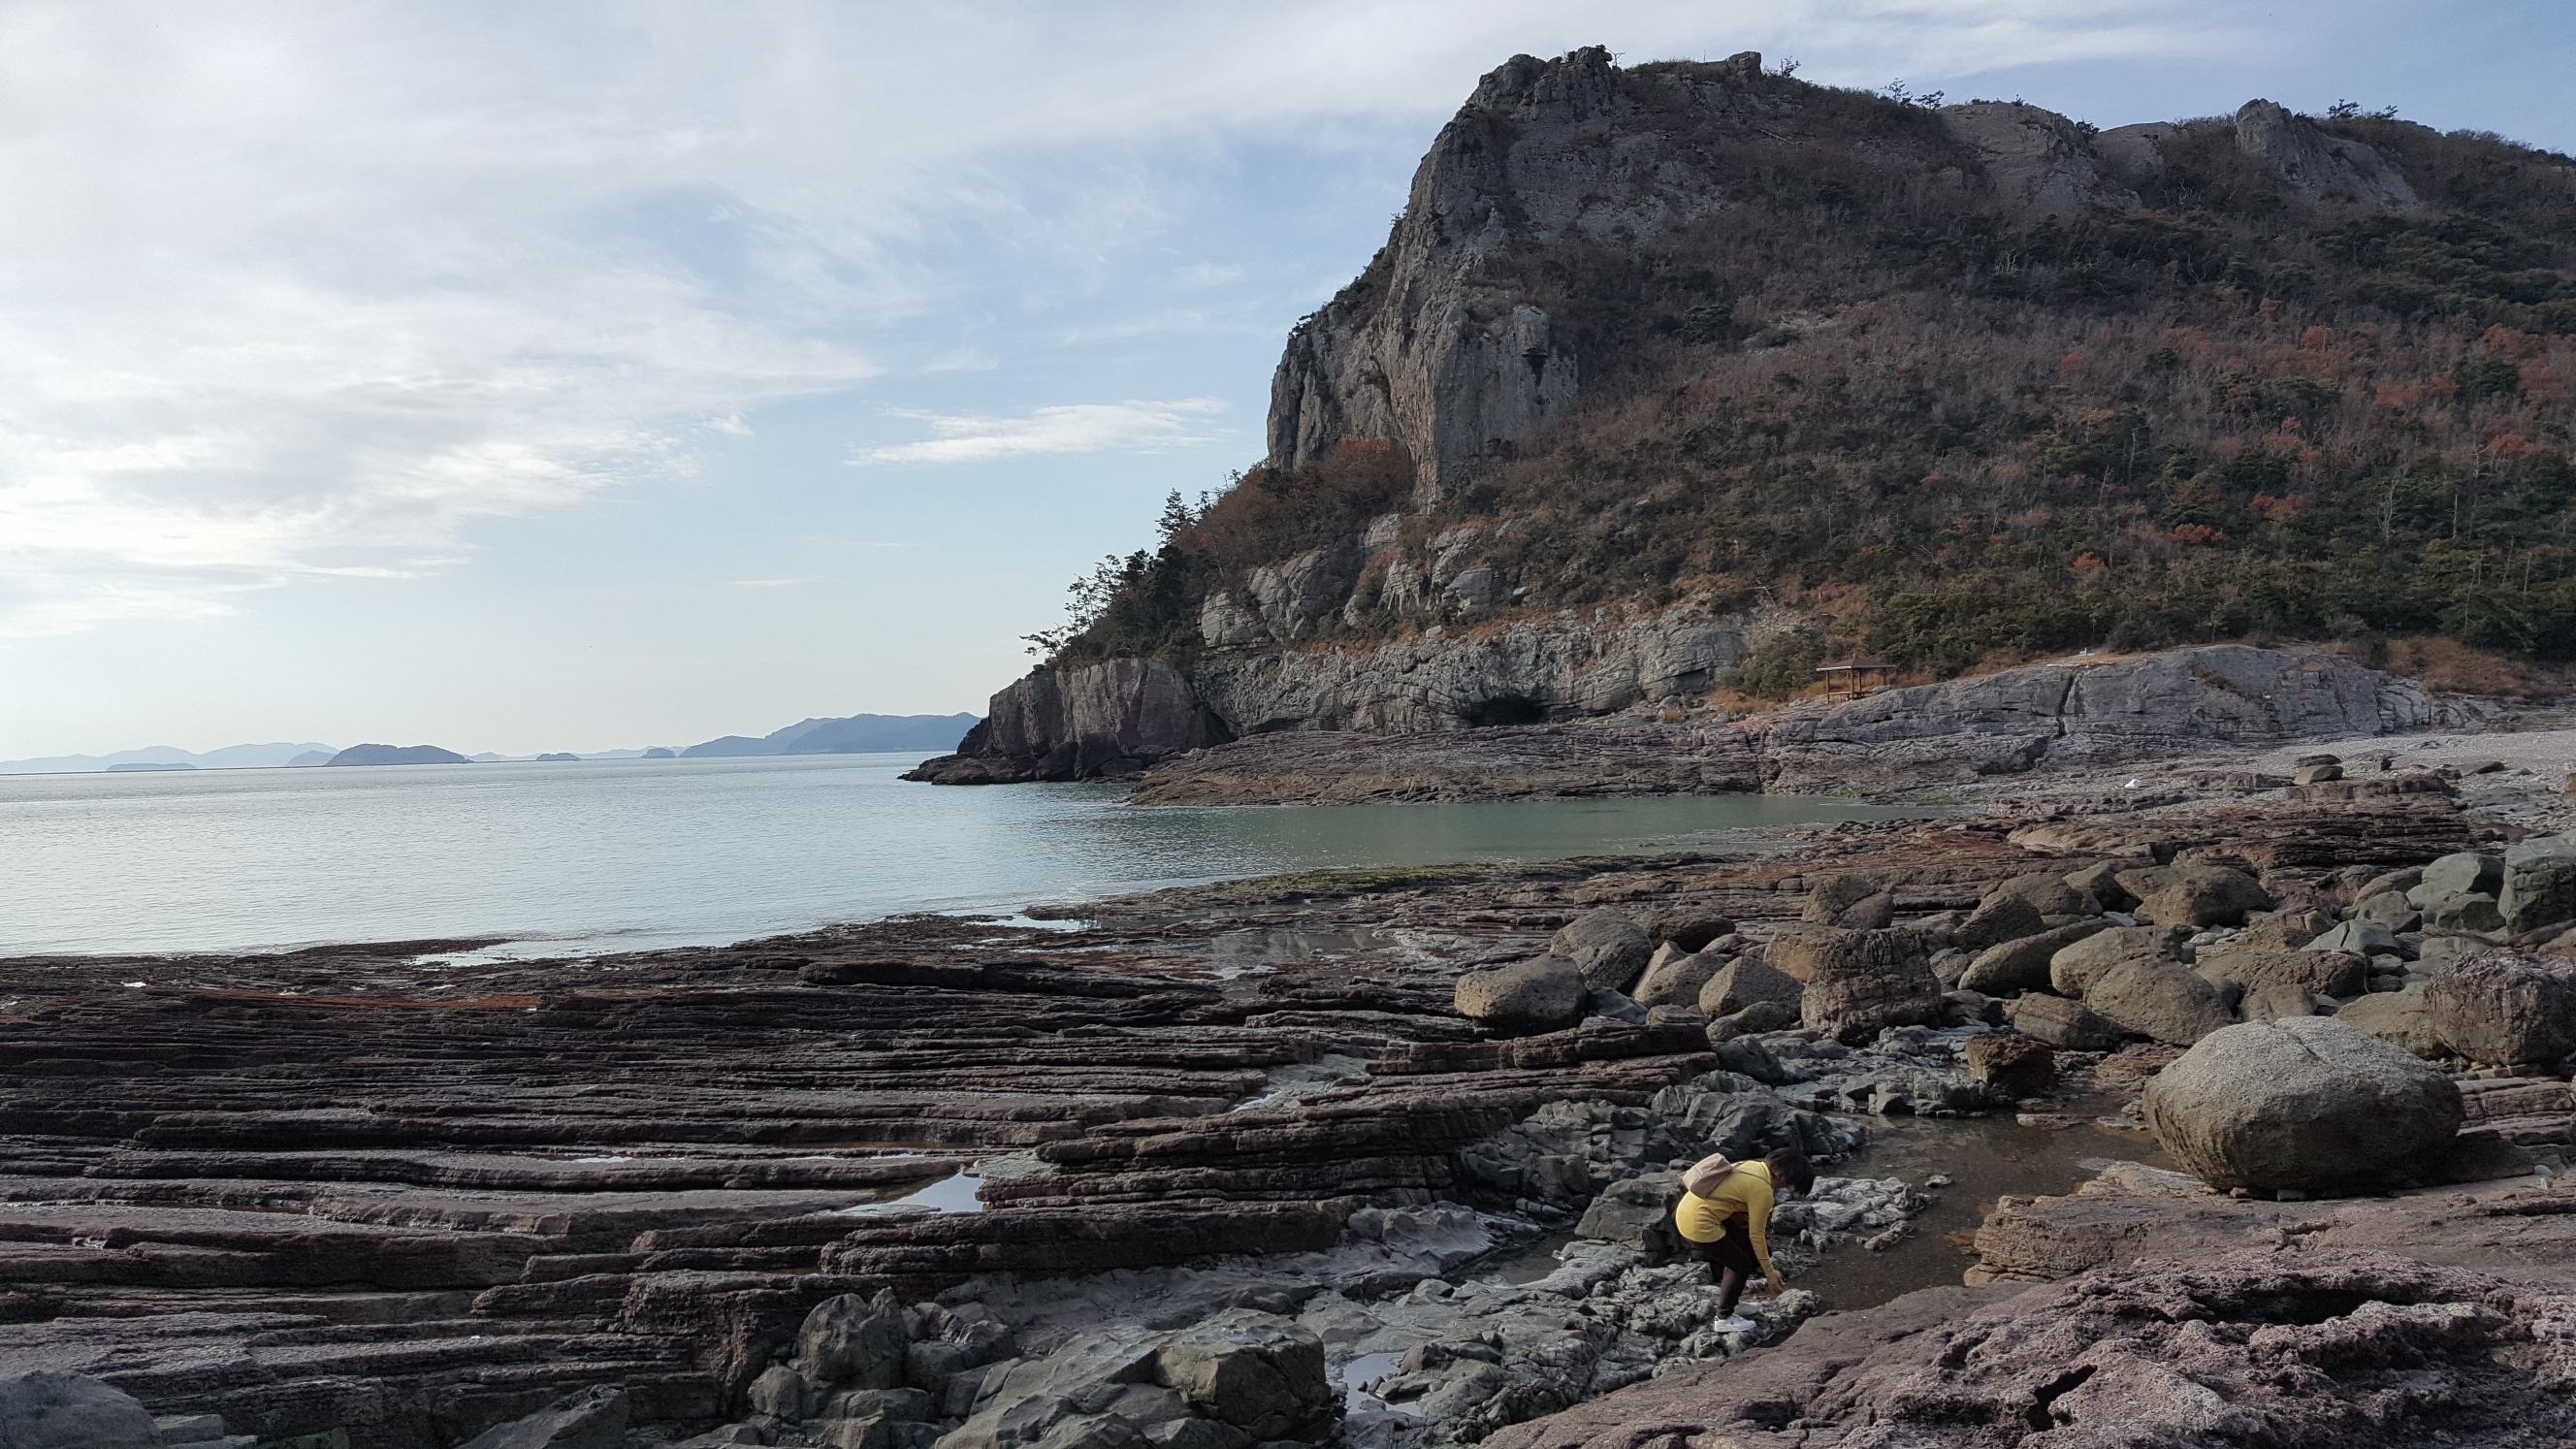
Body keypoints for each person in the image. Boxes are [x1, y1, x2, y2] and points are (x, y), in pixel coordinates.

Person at [1672, 1146, 1816, 1334]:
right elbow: (1756, 1235)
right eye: (1791, 1185)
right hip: (1698, 1223)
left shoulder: (1752, 1166)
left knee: (1746, 1252)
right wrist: (1770, 1273)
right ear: (1784, 1177)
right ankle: (1724, 1318)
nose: (1788, 1189)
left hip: (1687, 1210)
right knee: (1740, 1264)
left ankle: (1733, 1303)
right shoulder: (1762, 1190)